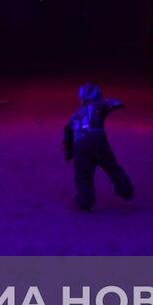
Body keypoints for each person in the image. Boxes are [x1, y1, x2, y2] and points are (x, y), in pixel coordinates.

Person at [63, 82, 134, 211]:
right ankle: (126, 191)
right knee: (111, 166)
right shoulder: (98, 106)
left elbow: (68, 133)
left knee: (83, 174)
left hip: (80, 145)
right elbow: (113, 103)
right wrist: (117, 104)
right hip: (97, 139)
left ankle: (85, 201)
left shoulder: (74, 115)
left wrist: (68, 152)